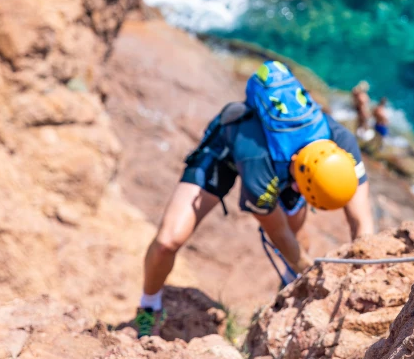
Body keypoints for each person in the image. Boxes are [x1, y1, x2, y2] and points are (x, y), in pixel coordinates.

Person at [134, 60, 374, 337]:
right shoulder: (258, 164)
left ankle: (289, 290)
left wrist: (363, 278)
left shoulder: (343, 143)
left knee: (297, 237)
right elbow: (278, 233)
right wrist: (311, 277)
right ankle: (148, 307)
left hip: (289, 167)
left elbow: (362, 224)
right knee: (168, 241)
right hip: (226, 154)